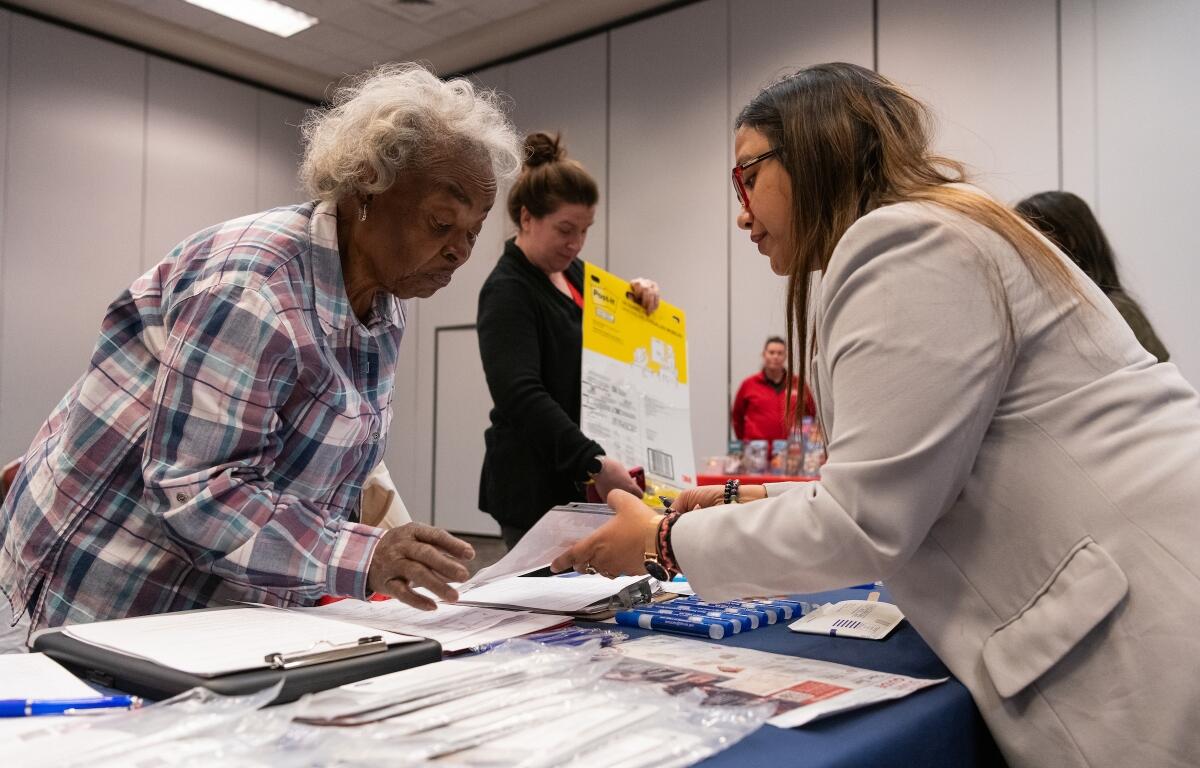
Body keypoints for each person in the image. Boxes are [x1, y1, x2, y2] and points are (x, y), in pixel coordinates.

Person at [553, 63, 1200, 767]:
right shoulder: (949, 225)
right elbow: (930, 470)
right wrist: (749, 496)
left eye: (748, 177)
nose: (741, 211)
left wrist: (663, 541)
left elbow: (866, 521)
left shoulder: (901, 243)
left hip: (1146, 625)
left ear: (813, 152)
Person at [0, 63, 523, 642]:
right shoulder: (256, 289)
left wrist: (392, 540)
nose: (459, 252)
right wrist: (366, 555)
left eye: (474, 232)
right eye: (441, 222)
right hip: (112, 580)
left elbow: (332, 436)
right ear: (367, 186)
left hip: (220, 597)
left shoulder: (382, 298)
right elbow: (195, 491)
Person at [477, 132, 660, 549]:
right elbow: (519, 395)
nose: (575, 243)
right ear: (526, 218)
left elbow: (609, 347)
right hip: (534, 487)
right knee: (544, 604)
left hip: (578, 477)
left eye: (584, 230)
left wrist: (638, 299)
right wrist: (592, 461)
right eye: (564, 230)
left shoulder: (576, 274)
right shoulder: (507, 289)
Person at [1016, 190, 1170, 362]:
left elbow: (1155, 380)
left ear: (1069, 240)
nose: (1022, 252)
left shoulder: (1116, 311)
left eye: (1032, 239)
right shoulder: (1037, 313)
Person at [730, 335, 815, 443]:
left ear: (786, 356)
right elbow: (737, 418)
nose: (775, 356)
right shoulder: (748, 385)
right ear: (763, 355)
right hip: (757, 453)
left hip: (791, 453)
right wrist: (745, 442)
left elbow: (811, 413)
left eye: (780, 353)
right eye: (771, 352)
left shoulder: (798, 384)